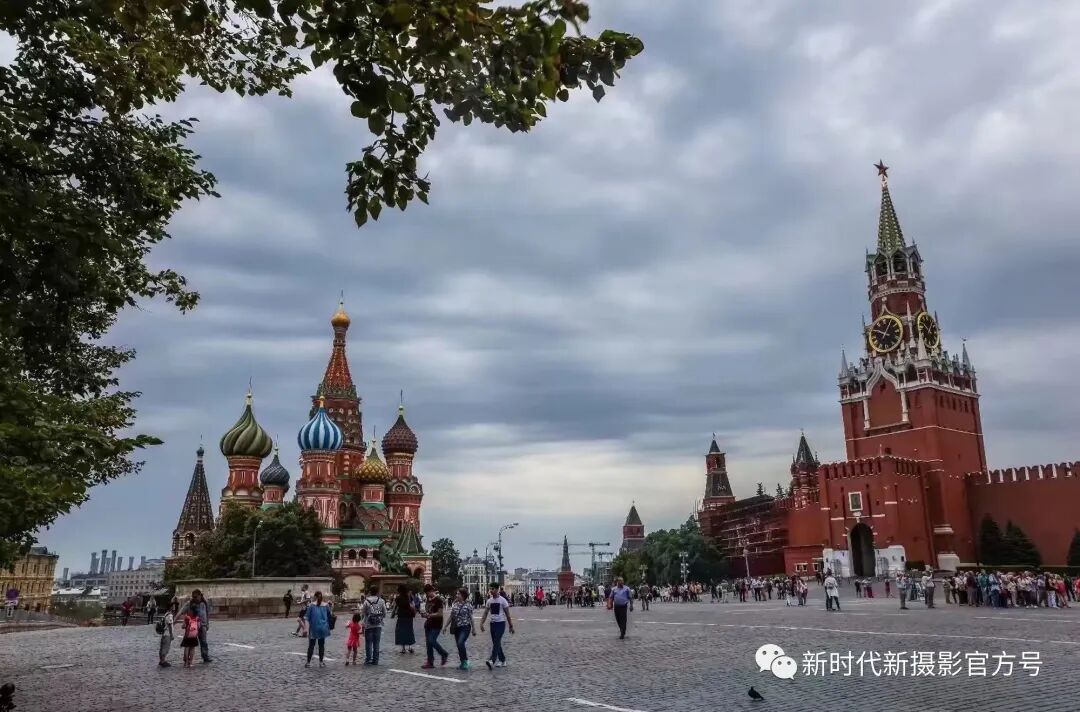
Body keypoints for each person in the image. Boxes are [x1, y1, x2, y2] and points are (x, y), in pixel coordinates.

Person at [479, 582, 513, 669]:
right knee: (496, 643)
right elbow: (485, 613)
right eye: (490, 589)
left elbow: (508, 614)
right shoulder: (489, 601)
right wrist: (481, 623)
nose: (491, 590)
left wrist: (511, 626)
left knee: (497, 641)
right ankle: (502, 660)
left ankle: (492, 660)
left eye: (493, 589)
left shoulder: (503, 601)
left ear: (497, 589)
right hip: (492, 624)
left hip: (501, 623)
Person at [444, 588, 476, 670]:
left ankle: (465, 661)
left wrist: (474, 629)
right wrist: (445, 626)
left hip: (465, 627)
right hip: (456, 628)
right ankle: (463, 662)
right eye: (457, 594)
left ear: (463, 595)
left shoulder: (468, 605)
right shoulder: (455, 605)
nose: (457, 595)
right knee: (459, 645)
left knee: (460, 642)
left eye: (458, 594)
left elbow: (471, 617)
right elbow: (451, 616)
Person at [420, 584, 449, 668]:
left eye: (427, 593)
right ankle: (430, 662)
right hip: (428, 624)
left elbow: (440, 614)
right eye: (426, 593)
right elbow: (428, 611)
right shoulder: (428, 600)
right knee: (428, 644)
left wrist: (429, 615)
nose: (427, 595)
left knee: (431, 640)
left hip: (436, 624)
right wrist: (424, 614)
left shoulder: (438, 600)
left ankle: (444, 654)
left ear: (431, 591)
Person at [179, 589, 211, 663]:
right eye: (193, 597)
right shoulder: (190, 603)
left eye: (196, 597)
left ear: (200, 595)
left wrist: (207, 624)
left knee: (204, 641)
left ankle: (205, 656)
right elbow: (184, 612)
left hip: (203, 625)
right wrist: (183, 622)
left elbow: (207, 613)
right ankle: (186, 658)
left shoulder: (204, 603)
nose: (194, 598)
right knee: (190, 643)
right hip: (193, 626)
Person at [304, 591, 331, 668]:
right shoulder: (326, 605)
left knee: (311, 645)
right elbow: (329, 615)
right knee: (321, 645)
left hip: (314, 628)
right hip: (323, 628)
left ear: (315, 597)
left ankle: (308, 663)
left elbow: (307, 618)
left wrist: (306, 629)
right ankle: (321, 662)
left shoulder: (311, 606)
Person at [361, 585, 387, 665]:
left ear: (370, 592)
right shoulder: (381, 601)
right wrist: (379, 617)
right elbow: (385, 613)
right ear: (377, 592)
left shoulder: (366, 601)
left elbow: (363, 613)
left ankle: (368, 659)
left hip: (368, 625)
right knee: (376, 643)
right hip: (378, 625)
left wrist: (364, 622)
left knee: (368, 643)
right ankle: (375, 660)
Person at [391, 584, 416, 654]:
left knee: (401, 632)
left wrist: (393, 614)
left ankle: (403, 648)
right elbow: (413, 605)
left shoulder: (398, 598)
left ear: (399, 590)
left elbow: (394, 606)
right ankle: (410, 647)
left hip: (401, 616)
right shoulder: (409, 597)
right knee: (409, 631)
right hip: (409, 616)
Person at [157, 602, 176, 667]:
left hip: (164, 633)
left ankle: (161, 660)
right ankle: (163, 661)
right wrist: (171, 635)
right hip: (167, 634)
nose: (174, 607)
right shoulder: (170, 615)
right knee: (165, 648)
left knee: (162, 647)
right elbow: (170, 625)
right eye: (173, 606)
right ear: (170, 607)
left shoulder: (166, 614)